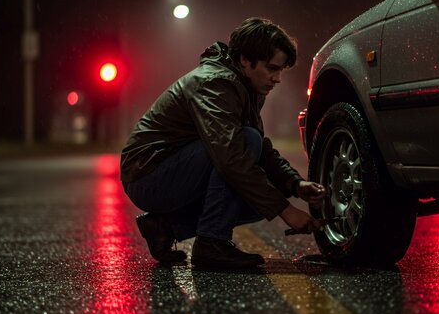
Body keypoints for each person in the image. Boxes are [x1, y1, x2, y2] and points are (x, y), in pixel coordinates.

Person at [120, 18, 326, 269]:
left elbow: (260, 148)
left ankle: (165, 228)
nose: (277, 78)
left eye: (281, 70)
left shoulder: (245, 85)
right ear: (244, 60)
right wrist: (286, 211)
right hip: (147, 174)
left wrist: (295, 184)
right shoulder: (215, 84)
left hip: (172, 170)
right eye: (272, 68)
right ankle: (211, 244)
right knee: (244, 148)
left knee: (265, 181)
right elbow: (231, 156)